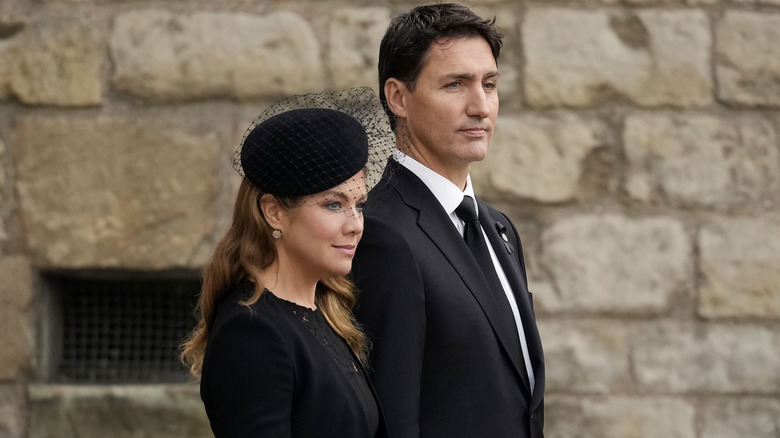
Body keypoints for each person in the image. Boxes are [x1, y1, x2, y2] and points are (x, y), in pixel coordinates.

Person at [351, 4, 545, 438]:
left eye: (489, 84)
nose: (480, 106)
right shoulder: (379, 234)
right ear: (398, 98)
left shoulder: (499, 229)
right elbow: (392, 417)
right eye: (455, 84)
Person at [181, 88, 393, 438]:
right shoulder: (252, 332)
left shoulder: (323, 311)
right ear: (274, 212)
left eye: (359, 204)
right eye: (333, 204)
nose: (356, 224)